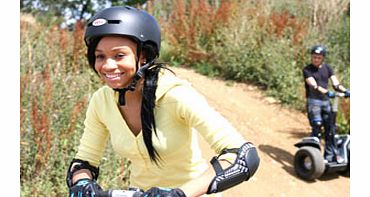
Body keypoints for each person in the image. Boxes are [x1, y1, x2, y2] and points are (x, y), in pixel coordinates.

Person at [66, 6, 260, 197]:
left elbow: (242, 155)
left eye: (119, 55)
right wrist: (82, 182)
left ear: (143, 56)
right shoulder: (101, 101)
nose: (107, 65)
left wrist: (179, 194)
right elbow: (85, 161)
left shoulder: (175, 95)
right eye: (100, 56)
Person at [302, 45, 350, 163]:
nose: (316, 59)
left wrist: (345, 91)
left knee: (330, 128)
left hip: (326, 102)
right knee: (317, 126)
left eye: (318, 57)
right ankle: (314, 157)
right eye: (314, 57)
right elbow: (313, 85)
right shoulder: (307, 70)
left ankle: (329, 156)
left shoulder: (327, 68)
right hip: (314, 102)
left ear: (323, 58)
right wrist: (327, 92)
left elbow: (335, 84)